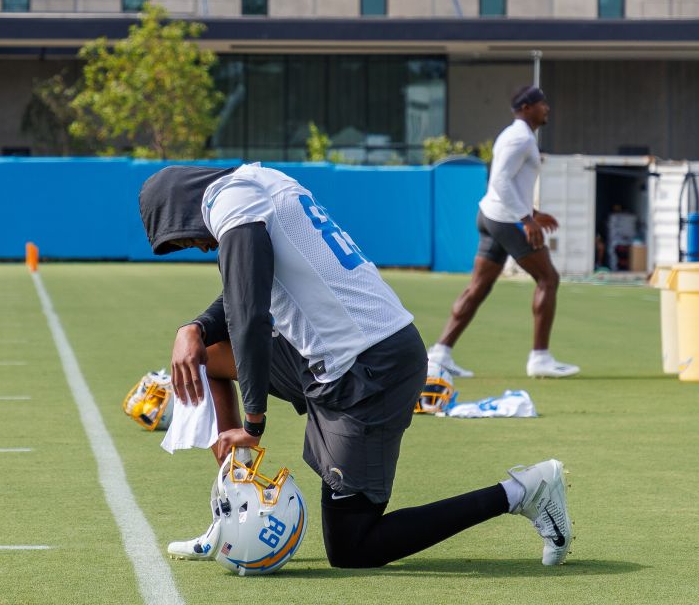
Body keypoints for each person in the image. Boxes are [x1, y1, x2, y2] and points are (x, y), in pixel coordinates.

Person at [139, 163, 574, 569]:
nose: (197, 246)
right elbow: (245, 289)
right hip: (330, 355)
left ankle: (524, 492)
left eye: (184, 239)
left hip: (371, 368)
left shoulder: (229, 204)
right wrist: (195, 327)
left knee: (353, 545)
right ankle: (233, 506)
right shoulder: (257, 181)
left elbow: (250, 314)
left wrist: (252, 423)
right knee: (206, 356)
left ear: (180, 209)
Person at [427, 85, 580, 379]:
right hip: (505, 220)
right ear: (526, 108)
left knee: (478, 288)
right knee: (548, 278)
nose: (546, 108)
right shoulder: (519, 138)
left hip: (494, 216)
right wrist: (526, 220)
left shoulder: (518, 136)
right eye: (541, 103)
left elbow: (510, 184)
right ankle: (540, 358)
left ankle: (441, 352)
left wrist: (533, 213)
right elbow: (500, 181)